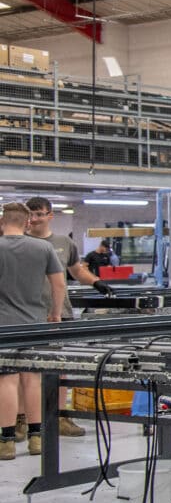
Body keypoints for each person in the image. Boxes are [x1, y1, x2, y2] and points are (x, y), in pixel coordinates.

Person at [24, 196, 110, 438]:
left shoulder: (63, 243)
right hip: (26, 314)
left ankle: (61, 417)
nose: (35, 219)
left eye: (40, 214)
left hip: (59, 314)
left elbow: (76, 271)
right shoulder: (17, 242)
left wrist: (97, 282)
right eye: (31, 214)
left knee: (60, 367)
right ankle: (24, 421)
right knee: (24, 370)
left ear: (50, 215)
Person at [0, 202, 65, 460]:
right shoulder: (43, 247)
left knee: (6, 379)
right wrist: (55, 314)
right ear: (27, 222)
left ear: (3, 221)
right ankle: (36, 438)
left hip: (3, 325)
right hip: (35, 323)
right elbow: (59, 285)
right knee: (32, 377)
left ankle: (6, 442)